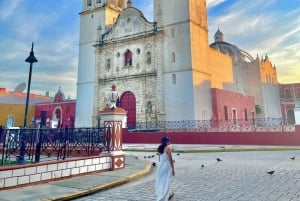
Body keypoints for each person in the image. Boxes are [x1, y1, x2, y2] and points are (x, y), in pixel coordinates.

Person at [155, 136, 175, 201]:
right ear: (166, 142)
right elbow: (170, 160)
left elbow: (160, 158)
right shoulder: (168, 148)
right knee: (166, 181)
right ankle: (164, 196)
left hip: (160, 166)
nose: (170, 141)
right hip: (166, 167)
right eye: (168, 140)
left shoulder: (159, 147)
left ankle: (168, 194)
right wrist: (173, 170)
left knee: (162, 181)